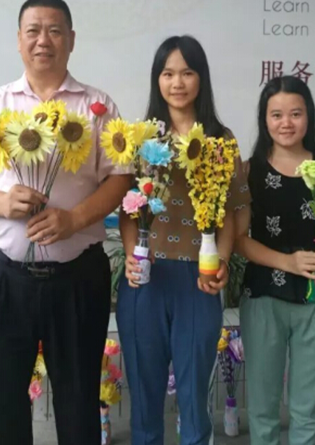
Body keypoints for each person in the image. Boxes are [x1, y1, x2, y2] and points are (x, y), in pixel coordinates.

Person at [0, 0, 131, 445]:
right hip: (6, 279)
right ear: (19, 40)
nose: (43, 40)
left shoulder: (96, 105)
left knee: (79, 400)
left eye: (53, 30)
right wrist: (1, 203)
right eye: (33, 30)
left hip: (78, 278)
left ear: (71, 40)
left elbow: (120, 178)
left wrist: (74, 219)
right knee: (2, 404)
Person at [116, 35, 251, 445]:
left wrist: (221, 261)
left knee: (194, 400)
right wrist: (132, 256)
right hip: (146, 279)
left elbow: (232, 211)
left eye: (187, 73)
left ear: (201, 78)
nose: (177, 83)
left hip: (199, 280)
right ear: (157, 79)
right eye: (168, 73)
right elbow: (126, 208)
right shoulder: (140, 137)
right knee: (144, 395)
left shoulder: (220, 139)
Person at [234, 76, 315, 445]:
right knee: (262, 408)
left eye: (295, 114)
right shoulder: (248, 171)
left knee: (307, 410)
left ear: (309, 117)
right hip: (263, 300)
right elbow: (239, 240)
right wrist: (287, 262)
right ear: (264, 119)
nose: (286, 123)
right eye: (276, 114)